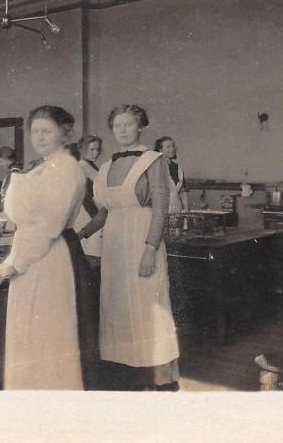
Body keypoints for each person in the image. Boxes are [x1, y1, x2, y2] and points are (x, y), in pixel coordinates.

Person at [79, 105, 180, 391]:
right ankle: (125, 373)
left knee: (149, 307)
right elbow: (104, 212)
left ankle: (157, 377)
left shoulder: (153, 160)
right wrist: (79, 234)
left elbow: (160, 210)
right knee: (117, 308)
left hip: (142, 242)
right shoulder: (107, 166)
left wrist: (150, 248)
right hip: (113, 246)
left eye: (128, 124)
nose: (122, 130)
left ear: (140, 127)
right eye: (117, 125)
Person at [0, 105, 89, 390]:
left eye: (47, 131)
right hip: (32, 254)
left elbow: (50, 225)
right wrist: (17, 257)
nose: (40, 137)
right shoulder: (43, 166)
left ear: (64, 133)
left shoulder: (67, 168)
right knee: (30, 332)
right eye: (35, 131)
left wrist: (16, 262)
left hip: (50, 256)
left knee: (48, 334)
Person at [73, 135, 104, 257]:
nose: (95, 153)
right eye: (92, 150)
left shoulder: (91, 166)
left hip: (95, 212)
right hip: (87, 213)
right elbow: (85, 197)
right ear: (83, 149)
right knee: (92, 251)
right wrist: (97, 218)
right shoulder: (82, 167)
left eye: (97, 149)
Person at [154, 136, 189, 213]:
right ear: (160, 150)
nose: (172, 149)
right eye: (168, 147)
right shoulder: (155, 168)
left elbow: (183, 191)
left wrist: (187, 211)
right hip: (159, 209)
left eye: (173, 146)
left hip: (176, 208)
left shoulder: (178, 168)